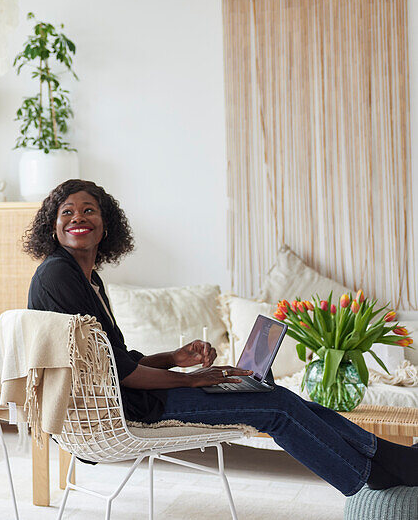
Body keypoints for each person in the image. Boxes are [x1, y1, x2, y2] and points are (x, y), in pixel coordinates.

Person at [26, 178, 418, 496]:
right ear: (53, 225)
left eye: (88, 210)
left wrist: (174, 358)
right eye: (67, 212)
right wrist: (196, 378)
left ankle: (383, 462)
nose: (78, 217)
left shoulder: (87, 278)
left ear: (105, 225)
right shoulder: (59, 275)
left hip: (133, 395)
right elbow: (120, 374)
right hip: (128, 410)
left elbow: (115, 359)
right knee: (274, 407)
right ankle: (375, 472)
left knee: (276, 396)